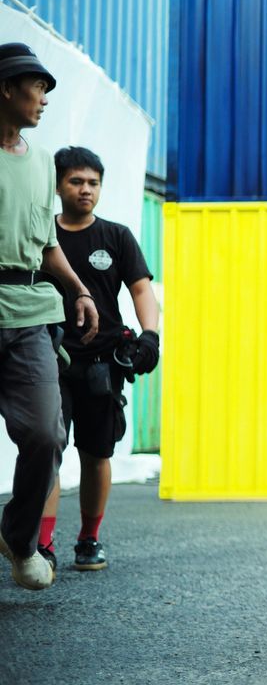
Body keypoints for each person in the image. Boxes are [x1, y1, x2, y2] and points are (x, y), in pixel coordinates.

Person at [0, 42, 100, 590]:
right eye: (38, 87)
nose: (43, 99)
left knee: (46, 434)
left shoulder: (42, 163)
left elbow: (45, 245)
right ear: (7, 88)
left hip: (31, 313)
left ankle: (18, 538)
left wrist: (81, 291)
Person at [36, 146, 160, 572]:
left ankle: (89, 539)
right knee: (47, 449)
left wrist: (150, 335)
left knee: (96, 453)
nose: (85, 190)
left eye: (93, 183)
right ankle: (42, 544)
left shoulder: (117, 236)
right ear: (58, 186)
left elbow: (141, 289)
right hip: (48, 357)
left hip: (103, 363)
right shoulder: (43, 235)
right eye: (76, 181)